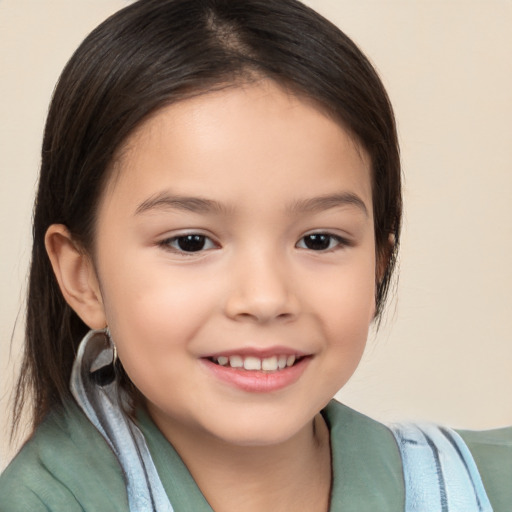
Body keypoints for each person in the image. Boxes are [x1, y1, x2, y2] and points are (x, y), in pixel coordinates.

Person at [0, 0, 510, 510]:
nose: (265, 298)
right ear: (82, 275)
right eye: (191, 242)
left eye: (319, 240)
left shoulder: (485, 485)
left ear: (378, 262)